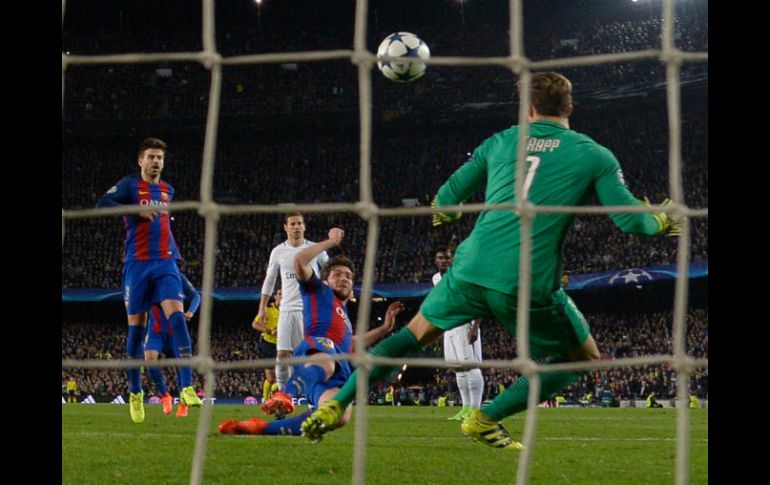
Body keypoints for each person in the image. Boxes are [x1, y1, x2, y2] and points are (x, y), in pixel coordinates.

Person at [301, 71, 681, 448]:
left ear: (528, 109)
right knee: (582, 357)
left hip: (468, 269)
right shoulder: (593, 154)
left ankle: (337, 405)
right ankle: (485, 419)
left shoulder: (501, 141)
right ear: (569, 107)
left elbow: (446, 199)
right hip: (525, 279)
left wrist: (447, 213)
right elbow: (632, 221)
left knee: (410, 336)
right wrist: (663, 221)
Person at [218, 227, 402, 436]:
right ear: (325, 281)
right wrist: (330, 242)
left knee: (338, 414)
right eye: (337, 275)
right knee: (326, 359)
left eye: (348, 276)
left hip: (336, 368)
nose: (344, 279)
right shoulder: (318, 291)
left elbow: (352, 342)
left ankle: (258, 428)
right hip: (317, 350)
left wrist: (384, 329)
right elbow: (299, 261)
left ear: (352, 287)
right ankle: (284, 395)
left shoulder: (343, 315)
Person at [96, 137, 203, 423]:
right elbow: (102, 203)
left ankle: (187, 386)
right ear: (141, 161)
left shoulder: (168, 190)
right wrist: (134, 210)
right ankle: (135, 392)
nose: (156, 161)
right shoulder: (130, 185)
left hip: (165, 262)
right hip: (137, 264)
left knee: (178, 319)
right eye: (151, 157)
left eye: (160, 157)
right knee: (135, 332)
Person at [254, 213, 329, 391]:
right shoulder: (278, 251)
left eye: (299, 223)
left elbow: (330, 271)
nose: (296, 227)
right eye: (292, 224)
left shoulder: (315, 249)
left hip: (309, 310)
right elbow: (269, 280)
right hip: (286, 310)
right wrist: (261, 308)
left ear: (304, 227)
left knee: (309, 356)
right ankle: (283, 395)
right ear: (285, 227)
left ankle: (313, 395)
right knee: (282, 355)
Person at [433, 249, 484, 421]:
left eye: (447, 258)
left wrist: (475, 326)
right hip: (449, 327)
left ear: (452, 259)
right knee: (458, 368)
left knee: (471, 367)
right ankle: (465, 408)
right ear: (436, 260)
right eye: (440, 257)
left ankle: (475, 410)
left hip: (465, 324)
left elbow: (480, 300)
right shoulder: (436, 279)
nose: (443, 261)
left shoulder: (463, 276)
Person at [143, 270, 201, 417]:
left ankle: (183, 402)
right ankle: (165, 395)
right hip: (156, 331)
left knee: (179, 367)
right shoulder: (148, 275)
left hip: (175, 333)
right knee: (149, 358)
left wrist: (191, 311)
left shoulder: (177, 276)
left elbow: (196, 295)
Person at [251, 288, 281, 407]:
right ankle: (266, 400)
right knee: (270, 377)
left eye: (284, 294)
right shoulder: (267, 310)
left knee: (284, 375)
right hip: (269, 345)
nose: (282, 296)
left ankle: (276, 395)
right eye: (279, 294)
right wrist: (269, 331)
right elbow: (255, 324)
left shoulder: (289, 310)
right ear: (275, 296)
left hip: (284, 346)